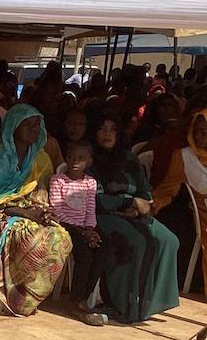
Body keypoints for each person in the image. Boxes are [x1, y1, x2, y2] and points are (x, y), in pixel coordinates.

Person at [0, 104, 72, 317]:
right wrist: (27, 214)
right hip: (2, 213)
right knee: (32, 238)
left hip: (32, 211)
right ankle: (15, 299)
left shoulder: (41, 159)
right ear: (14, 127)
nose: (33, 129)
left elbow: (41, 193)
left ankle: (28, 299)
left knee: (61, 237)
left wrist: (44, 211)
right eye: (27, 124)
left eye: (37, 125)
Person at [89, 111, 180, 323]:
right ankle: (121, 303)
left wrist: (141, 206)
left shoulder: (128, 158)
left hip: (133, 213)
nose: (107, 134)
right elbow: (94, 198)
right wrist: (128, 203)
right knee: (137, 242)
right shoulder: (89, 158)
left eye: (112, 129)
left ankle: (149, 301)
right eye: (102, 129)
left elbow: (144, 189)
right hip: (103, 213)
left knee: (169, 240)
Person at [50, 140, 108, 324]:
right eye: (71, 157)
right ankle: (74, 300)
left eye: (81, 158)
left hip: (85, 227)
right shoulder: (58, 180)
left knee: (103, 251)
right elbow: (57, 211)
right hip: (65, 226)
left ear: (89, 161)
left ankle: (85, 297)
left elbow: (90, 210)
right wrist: (81, 232)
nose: (75, 161)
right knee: (84, 256)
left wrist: (90, 230)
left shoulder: (90, 183)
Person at [151, 110, 207, 292]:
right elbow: (167, 190)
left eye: (204, 133)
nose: (198, 137)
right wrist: (152, 205)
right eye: (196, 131)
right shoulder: (183, 157)